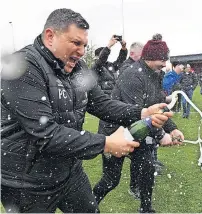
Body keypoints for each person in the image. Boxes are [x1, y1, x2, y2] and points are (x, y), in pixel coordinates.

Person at [1, 9, 172, 213]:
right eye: (75, 43)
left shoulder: (78, 67)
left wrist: (142, 113)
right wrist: (106, 143)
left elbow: (102, 104)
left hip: (68, 171)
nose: (82, 51)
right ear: (50, 36)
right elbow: (46, 135)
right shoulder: (24, 68)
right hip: (26, 182)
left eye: (84, 44)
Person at [93, 34, 184, 213]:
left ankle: (146, 209)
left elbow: (158, 106)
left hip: (138, 132)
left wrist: (173, 129)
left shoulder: (155, 75)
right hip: (115, 132)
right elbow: (136, 113)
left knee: (148, 169)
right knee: (111, 180)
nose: (165, 64)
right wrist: (161, 136)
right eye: (162, 59)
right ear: (149, 57)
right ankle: (87, 206)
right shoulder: (132, 75)